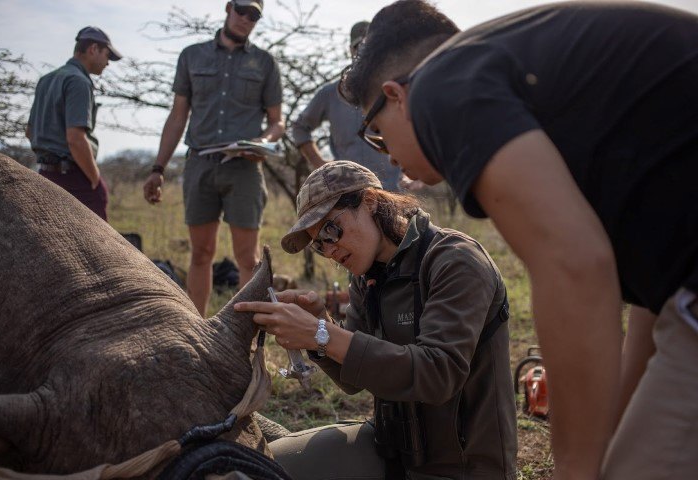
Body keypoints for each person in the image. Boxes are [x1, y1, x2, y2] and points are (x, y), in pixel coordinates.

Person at [339, 1, 698, 479]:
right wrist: (610, 432)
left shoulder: (440, 86)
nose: (394, 162)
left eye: (378, 134)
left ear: (396, 95)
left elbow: (573, 268)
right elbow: (655, 298)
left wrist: (575, 469)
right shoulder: (557, 107)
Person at [235, 161, 517, 479]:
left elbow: (438, 374)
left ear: (370, 200)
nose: (329, 250)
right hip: (390, 451)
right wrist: (319, 323)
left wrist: (321, 333)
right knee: (255, 469)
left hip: (462, 468)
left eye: (330, 229)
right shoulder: (367, 276)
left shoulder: (455, 261)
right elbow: (353, 381)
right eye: (318, 244)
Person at [143, 0, 284, 317]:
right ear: (228, 8)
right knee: (201, 253)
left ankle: (242, 339)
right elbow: (178, 117)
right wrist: (157, 168)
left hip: (245, 167)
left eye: (254, 15)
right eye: (242, 10)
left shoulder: (265, 63)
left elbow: (278, 123)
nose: (246, 18)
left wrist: (261, 142)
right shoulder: (192, 56)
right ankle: (197, 332)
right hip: (200, 165)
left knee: (247, 258)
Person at [290, 21, 404, 191]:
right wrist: (320, 164)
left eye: (372, 47)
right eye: (360, 46)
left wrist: (410, 171)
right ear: (351, 50)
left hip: (391, 192)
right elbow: (300, 127)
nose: (366, 53)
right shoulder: (330, 94)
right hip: (346, 194)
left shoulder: (395, 92)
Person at [26, 26, 122, 221]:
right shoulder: (78, 81)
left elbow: (29, 131)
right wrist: (95, 179)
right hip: (74, 178)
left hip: (45, 175)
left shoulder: (46, 79)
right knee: (97, 246)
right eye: (106, 55)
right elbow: (76, 138)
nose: (107, 63)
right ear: (93, 49)